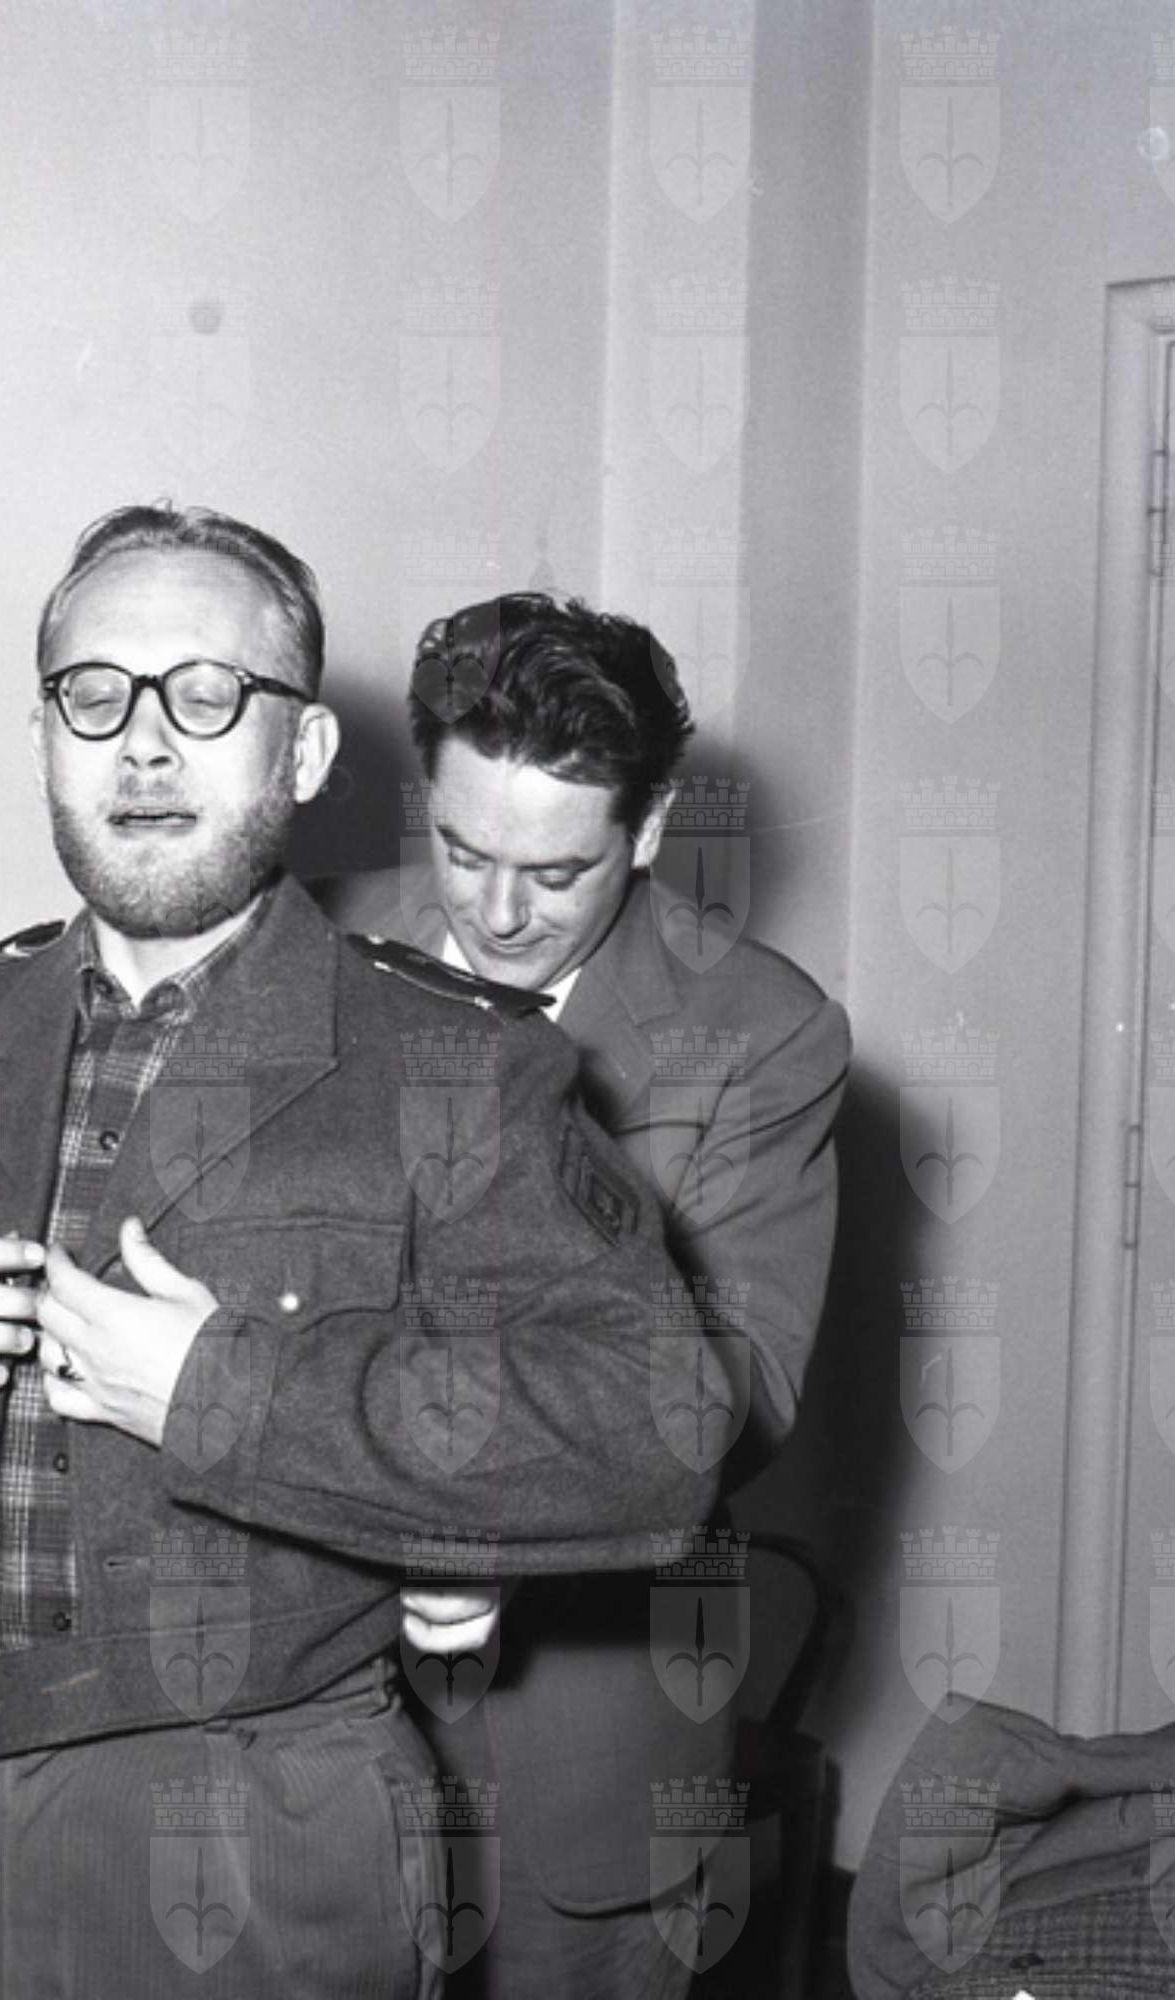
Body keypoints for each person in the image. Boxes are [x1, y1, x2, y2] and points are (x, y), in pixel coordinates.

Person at [0, 511, 733, 1995]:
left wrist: (224, 1391)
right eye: (95, 696)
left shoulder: (451, 1068)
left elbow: (656, 1427)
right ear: (43, 741)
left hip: (261, 1832)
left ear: (305, 753)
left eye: (207, 696)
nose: (144, 745)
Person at [316, 592, 850, 1998]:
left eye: (555, 874)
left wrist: (497, 1506)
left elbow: (740, 1385)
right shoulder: (300, 948)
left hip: (578, 1744)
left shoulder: (759, 1032)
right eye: (461, 851)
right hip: (294, 1723)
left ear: (650, 827)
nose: (497, 914)